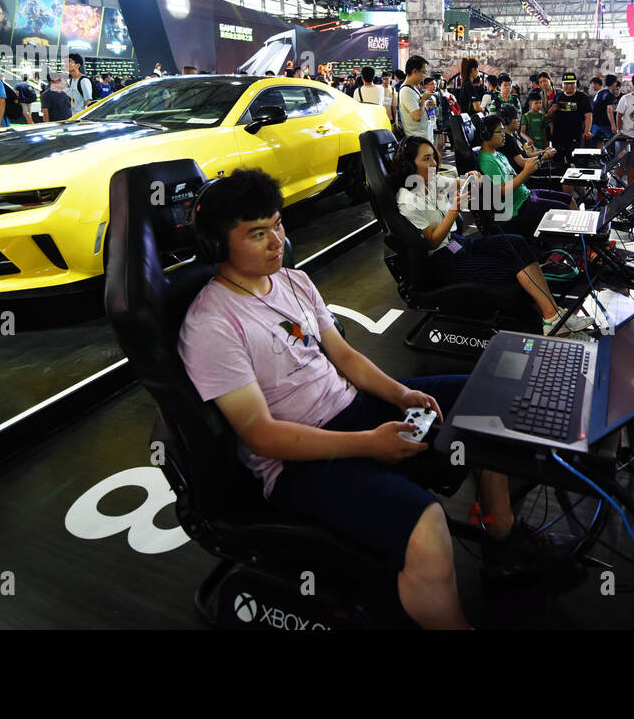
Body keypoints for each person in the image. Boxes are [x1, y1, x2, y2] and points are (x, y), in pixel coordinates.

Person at [180, 169, 572, 630]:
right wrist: (370, 443)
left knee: (485, 397)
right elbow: (262, 436)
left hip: (356, 414)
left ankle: (500, 539)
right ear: (217, 246)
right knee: (427, 530)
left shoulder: (294, 281)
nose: (276, 242)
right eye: (257, 234)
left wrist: (402, 393)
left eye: (278, 225)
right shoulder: (212, 324)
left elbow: (345, 356)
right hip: (298, 463)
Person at [394, 136, 588, 336]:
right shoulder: (407, 201)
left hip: (456, 243)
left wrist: (474, 177)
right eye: (426, 159)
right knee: (511, 266)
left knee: (516, 243)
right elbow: (432, 242)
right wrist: (453, 211)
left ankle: (553, 316)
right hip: (442, 260)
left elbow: (461, 182)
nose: (434, 163)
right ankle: (555, 322)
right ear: (410, 165)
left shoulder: (432, 180)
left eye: (433, 157)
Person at [474, 115, 572, 242]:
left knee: (567, 199)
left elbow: (515, 177)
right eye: (500, 131)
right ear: (487, 135)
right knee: (563, 209)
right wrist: (526, 172)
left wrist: (537, 161)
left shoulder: (499, 155)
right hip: (518, 206)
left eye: (504, 131)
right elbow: (503, 190)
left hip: (526, 194)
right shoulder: (487, 161)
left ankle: (585, 239)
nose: (504, 135)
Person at [548, 75, 591, 162]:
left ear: (576, 84)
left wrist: (587, 130)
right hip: (559, 135)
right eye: (566, 84)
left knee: (574, 159)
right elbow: (550, 115)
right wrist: (552, 110)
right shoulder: (558, 97)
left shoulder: (583, 97)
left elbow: (588, 115)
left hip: (575, 134)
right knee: (558, 159)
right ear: (562, 85)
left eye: (572, 84)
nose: (569, 86)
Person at [397, 55, 433, 140]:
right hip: (417, 140)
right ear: (415, 71)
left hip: (423, 137)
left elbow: (418, 109)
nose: (424, 75)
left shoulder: (413, 88)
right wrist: (423, 99)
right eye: (423, 72)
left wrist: (427, 104)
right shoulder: (406, 91)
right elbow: (417, 117)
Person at [590, 76, 620, 145]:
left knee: (594, 142)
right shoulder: (610, 95)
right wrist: (613, 125)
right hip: (605, 123)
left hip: (595, 123)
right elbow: (609, 110)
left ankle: (594, 155)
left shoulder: (599, 92)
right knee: (611, 142)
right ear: (614, 83)